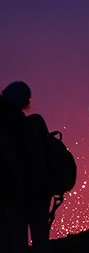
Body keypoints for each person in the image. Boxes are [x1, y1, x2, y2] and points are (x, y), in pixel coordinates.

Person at [0, 81, 52, 253]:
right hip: (37, 192)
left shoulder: (6, 129)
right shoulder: (35, 125)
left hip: (13, 194)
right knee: (41, 241)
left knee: (16, 243)